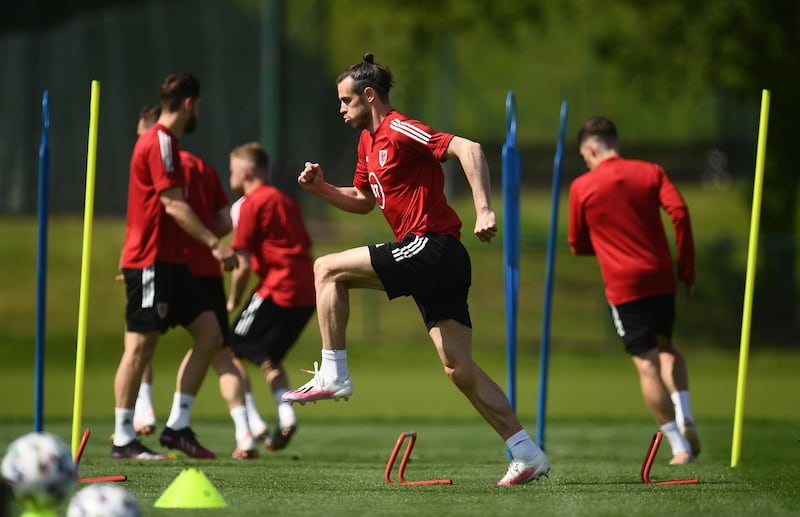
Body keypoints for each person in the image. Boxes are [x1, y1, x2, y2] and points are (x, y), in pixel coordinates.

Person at [282, 53, 550, 486]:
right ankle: (526, 451)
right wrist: (322, 189)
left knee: (327, 268)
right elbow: (365, 199)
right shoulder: (367, 143)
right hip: (435, 257)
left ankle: (334, 372)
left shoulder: (398, 128)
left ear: (369, 96)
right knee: (458, 366)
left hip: (434, 247)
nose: (341, 109)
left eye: (346, 101)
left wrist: (484, 209)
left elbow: (469, 147)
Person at [113, 72, 237, 460]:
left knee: (211, 333)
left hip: (171, 263)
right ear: (188, 104)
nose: (197, 111)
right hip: (150, 261)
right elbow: (173, 204)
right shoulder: (161, 142)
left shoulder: (165, 144)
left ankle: (178, 427)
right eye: (197, 105)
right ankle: (122, 438)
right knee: (139, 347)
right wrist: (215, 244)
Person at [129, 105, 265, 459]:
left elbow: (162, 213)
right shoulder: (202, 168)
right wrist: (209, 240)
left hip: (165, 263)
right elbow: (223, 220)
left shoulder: (153, 159)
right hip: (203, 269)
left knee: (143, 342)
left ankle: (144, 415)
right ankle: (244, 432)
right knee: (220, 352)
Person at [567, 116, 701, 465]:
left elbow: (577, 244)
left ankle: (678, 445)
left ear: (592, 149)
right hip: (661, 277)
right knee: (667, 346)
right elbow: (680, 212)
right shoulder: (651, 171)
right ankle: (684, 411)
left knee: (646, 365)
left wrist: (607, 244)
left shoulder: (583, 186)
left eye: (585, 156)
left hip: (624, 284)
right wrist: (686, 267)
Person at [226, 142, 316, 451]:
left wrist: (232, 300)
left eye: (231, 170)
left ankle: (251, 426)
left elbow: (242, 263)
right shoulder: (287, 202)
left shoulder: (253, 203)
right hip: (307, 291)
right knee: (269, 358)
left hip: (279, 287)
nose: (230, 177)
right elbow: (306, 246)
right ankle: (286, 414)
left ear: (246, 172)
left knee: (227, 349)